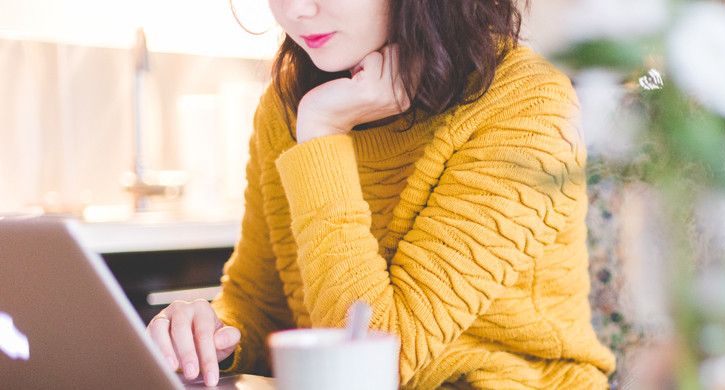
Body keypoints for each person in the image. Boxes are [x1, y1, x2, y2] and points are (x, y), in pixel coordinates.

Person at [145, 0, 615, 388]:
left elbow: (374, 362)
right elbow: (259, 303)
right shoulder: (288, 106)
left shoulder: (525, 104)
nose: (296, 11)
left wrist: (324, 133)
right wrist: (210, 332)